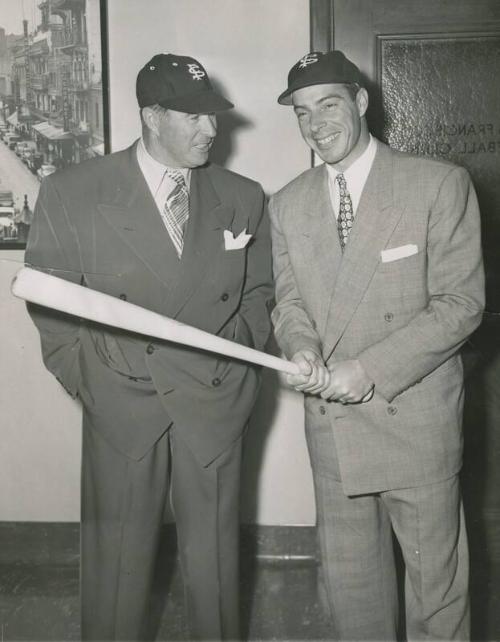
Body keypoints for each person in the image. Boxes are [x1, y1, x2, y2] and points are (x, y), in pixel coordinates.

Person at [26, 53, 273, 641]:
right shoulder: (73, 192)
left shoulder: (243, 195)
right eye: (193, 118)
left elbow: (259, 293)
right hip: (122, 402)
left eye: (213, 116)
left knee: (215, 574)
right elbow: (48, 301)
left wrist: (233, 362)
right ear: (151, 116)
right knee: (116, 575)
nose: (211, 131)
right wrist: (89, 376)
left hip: (212, 405)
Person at [269, 50, 484, 640]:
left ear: (363, 103)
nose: (317, 124)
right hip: (334, 433)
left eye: (330, 104)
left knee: (436, 604)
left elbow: (461, 306)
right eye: (303, 113)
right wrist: (302, 348)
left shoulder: (437, 184)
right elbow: (290, 304)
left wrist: (368, 368)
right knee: (352, 597)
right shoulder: (286, 204)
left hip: (413, 423)